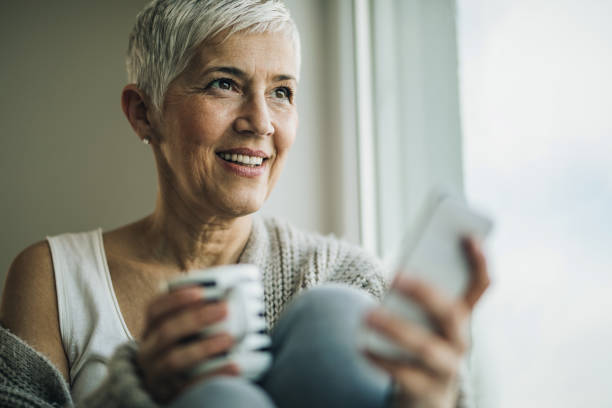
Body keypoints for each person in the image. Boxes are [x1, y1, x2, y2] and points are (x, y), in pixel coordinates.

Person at [0, 1, 489, 407]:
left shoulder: (347, 277)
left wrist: (428, 400)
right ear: (143, 113)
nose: (260, 122)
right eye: (224, 84)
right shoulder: (52, 277)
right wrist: (137, 389)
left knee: (333, 316)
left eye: (282, 92)